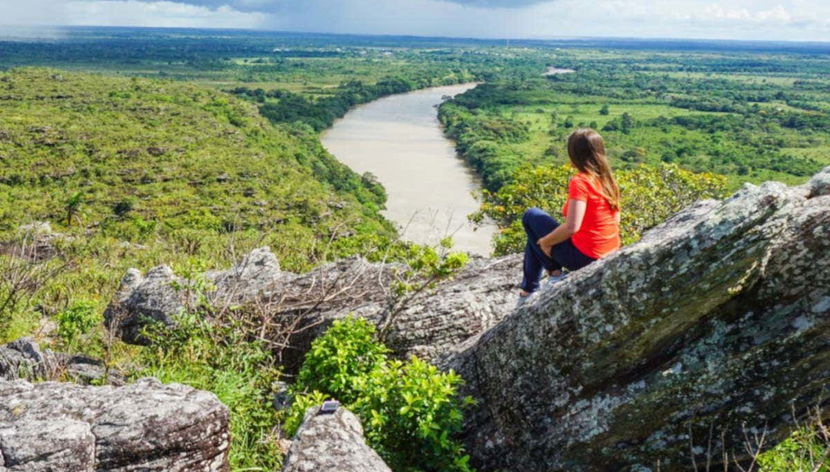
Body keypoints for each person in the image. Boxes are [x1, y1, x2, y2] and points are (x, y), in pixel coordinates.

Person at [519, 129, 621, 296]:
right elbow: (615, 220)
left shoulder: (580, 181)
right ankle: (529, 287)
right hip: (609, 253)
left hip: (585, 259)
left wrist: (545, 242)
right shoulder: (607, 179)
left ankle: (552, 274)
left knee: (531, 216)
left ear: (574, 154)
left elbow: (572, 227)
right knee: (535, 233)